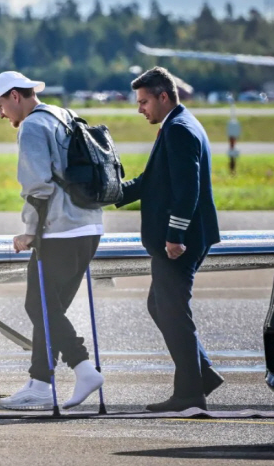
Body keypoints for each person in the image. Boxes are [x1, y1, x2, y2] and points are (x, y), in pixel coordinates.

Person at [0, 71, 104, 410]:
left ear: (14, 96)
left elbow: (37, 186)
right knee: (50, 309)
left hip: (60, 230)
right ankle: (40, 383)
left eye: (0, 106)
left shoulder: (33, 127)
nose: (1, 115)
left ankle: (83, 367)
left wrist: (29, 231)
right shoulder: (63, 115)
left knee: (37, 305)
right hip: (89, 227)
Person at [118, 66, 223, 412]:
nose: (140, 109)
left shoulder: (178, 129)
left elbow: (187, 188)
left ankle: (190, 393)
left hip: (181, 241)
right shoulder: (178, 124)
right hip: (183, 237)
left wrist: (175, 235)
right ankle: (202, 373)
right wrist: (112, 192)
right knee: (160, 305)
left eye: (144, 101)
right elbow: (152, 180)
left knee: (173, 310)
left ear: (164, 96)